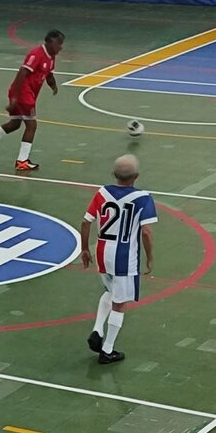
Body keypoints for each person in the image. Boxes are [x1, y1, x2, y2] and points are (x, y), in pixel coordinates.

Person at [80, 154, 157, 365]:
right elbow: (146, 232)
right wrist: (149, 257)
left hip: (102, 252)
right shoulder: (142, 197)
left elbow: (86, 222)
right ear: (137, 176)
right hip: (124, 257)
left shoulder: (102, 192)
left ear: (114, 174)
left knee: (110, 291)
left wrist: (84, 249)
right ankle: (108, 349)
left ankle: (97, 329)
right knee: (120, 303)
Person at [0, 29, 65, 172]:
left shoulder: (51, 57)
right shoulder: (37, 54)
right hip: (22, 93)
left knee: (15, 124)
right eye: (59, 43)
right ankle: (22, 161)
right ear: (50, 41)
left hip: (27, 95)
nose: (61, 47)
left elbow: (48, 74)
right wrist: (15, 98)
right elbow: (22, 72)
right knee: (31, 125)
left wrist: (53, 85)